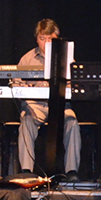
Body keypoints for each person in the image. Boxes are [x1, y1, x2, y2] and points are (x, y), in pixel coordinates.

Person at [14, 19, 81, 180]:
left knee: (72, 122)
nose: (45, 43)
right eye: (42, 39)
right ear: (37, 39)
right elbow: (15, 83)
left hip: (60, 105)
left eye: (50, 39)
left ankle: (72, 171)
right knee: (27, 121)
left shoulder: (67, 59)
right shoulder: (27, 59)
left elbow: (76, 84)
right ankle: (26, 171)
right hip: (35, 106)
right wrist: (24, 89)